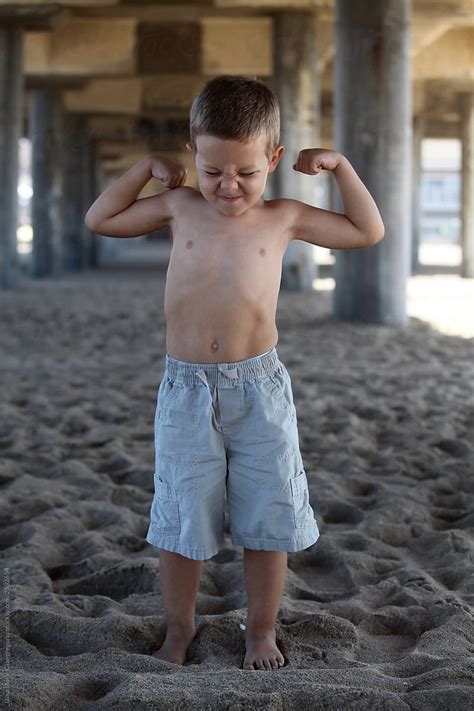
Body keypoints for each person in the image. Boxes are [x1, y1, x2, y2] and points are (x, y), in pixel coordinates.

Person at [85, 74, 384, 671]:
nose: (228, 186)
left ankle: (261, 631)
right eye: (213, 169)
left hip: (259, 389)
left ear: (272, 159)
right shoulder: (179, 206)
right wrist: (146, 168)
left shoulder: (283, 217)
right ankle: (179, 629)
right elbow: (101, 219)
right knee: (181, 518)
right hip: (187, 390)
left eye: (246, 172)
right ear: (193, 154)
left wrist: (341, 166)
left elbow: (366, 231)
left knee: (268, 517)